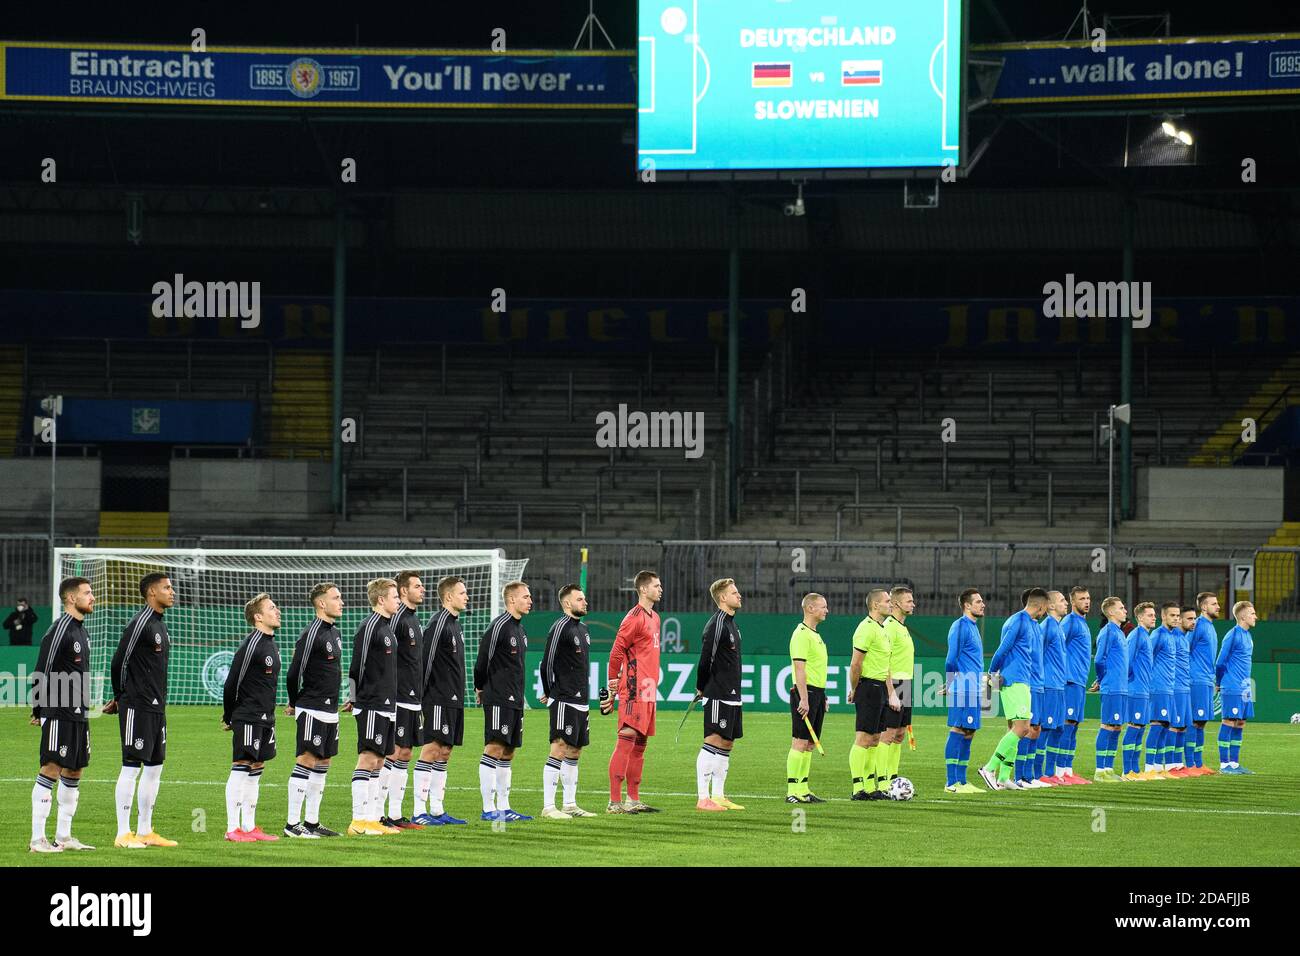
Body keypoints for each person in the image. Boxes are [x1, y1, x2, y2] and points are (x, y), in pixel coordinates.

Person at [106, 572, 178, 849]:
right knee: (131, 767)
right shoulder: (140, 623)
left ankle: (145, 830)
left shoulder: (160, 625)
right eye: (166, 588)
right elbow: (118, 661)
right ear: (151, 593)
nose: (172, 592)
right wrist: (119, 697)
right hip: (136, 704)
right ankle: (123, 833)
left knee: (154, 768)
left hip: (157, 707)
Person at [29, 577, 96, 853]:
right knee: (52, 767)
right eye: (87, 593)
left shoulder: (82, 630)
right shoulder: (60, 629)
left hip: (79, 713)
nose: (92, 597)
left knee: (75, 769)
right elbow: (41, 667)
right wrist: (37, 708)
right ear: (70, 598)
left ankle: (64, 837)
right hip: (58, 709)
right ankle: (37, 840)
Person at [283, 582, 345, 838]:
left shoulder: (334, 632)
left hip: (331, 708)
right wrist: (295, 701)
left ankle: (311, 822)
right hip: (312, 707)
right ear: (321, 603)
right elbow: (294, 671)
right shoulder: (311, 634)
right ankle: (291, 824)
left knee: (324, 761)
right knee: (307, 759)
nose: (342, 602)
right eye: (336, 598)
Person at [222, 593, 283, 842]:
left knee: (257, 767)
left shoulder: (271, 643)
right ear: (258, 617)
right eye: (271, 608)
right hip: (248, 716)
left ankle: (249, 827)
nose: (277, 611)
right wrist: (230, 716)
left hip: (266, 718)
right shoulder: (251, 644)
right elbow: (232, 682)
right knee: (242, 766)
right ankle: (232, 828)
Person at [411, 575, 470, 826]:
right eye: (462, 593)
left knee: (445, 752)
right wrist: (422, 699)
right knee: (431, 750)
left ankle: (436, 809)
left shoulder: (455, 624)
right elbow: (425, 661)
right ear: (448, 597)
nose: (466, 596)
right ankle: (418, 811)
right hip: (437, 698)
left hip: (454, 699)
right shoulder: (438, 624)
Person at [345, 578, 401, 836]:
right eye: (394, 596)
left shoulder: (388, 628)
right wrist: (355, 698)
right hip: (371, 703)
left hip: (387, 704)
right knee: (368, 758)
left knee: (379, 761)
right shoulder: (369, 627)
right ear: (381, 600)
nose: (398, 600)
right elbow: (357, 665)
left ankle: (372, 819)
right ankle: (358, 821)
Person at [473, 580, 533, 823]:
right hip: (498, 696)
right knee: (495, 748)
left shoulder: (521, 630)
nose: (530, 601)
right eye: (525, 597)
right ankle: (489, 809)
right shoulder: (499, 626)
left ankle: (504, 807)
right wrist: (480, 687)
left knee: (508, 752)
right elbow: (482, 659)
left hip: (516, 698)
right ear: (511, 600)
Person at [977, 588, 1047, 791]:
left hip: (1023, 680)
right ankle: (989, 768)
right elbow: (1002, 649)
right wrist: (991, 673)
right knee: (1022, 728)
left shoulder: (1032, 623)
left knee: (1016, 729)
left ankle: (1004, 777)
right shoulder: (1018, 621)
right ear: (1040, 606)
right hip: (1014, 680)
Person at [606, 570, 663, 814]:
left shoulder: (656, 617)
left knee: (640, 745)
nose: (660, 589)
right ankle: (614, 801)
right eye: (656, 586)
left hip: (649, 689)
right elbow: (617, 651)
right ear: (643, 589)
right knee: (626, 740)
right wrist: (611, 680)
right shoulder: (634, 617)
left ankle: (633, 798)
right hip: (633, 688)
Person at [539, 584, 597, 819]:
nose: (585, 602)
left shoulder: (583, 629)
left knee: (575, 750)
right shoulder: (560, 627)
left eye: (584, 598)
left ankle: (570, 804)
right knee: (560, 748)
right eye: (580, 599)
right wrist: (550, 691)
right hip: (564, 698)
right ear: (566, 604)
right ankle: (548, 807)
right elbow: (547, 663)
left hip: (581, 699)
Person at [380, 571, 426, 830]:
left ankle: (396, 815)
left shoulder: (414, 620)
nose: (422, 590)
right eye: (417, 586)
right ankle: (379, 813)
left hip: (413, 697)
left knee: (406, 752)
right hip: (397, 697)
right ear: (403, 591)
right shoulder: (396, 620)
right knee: (393, 752)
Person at [695, 578, 745, 811]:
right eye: (734, 593)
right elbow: (706, 658)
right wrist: (701, 686)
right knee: (713, 740)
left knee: (727, 742)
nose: (739, 595)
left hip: (732, 693)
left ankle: (719, 795)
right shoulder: (716, 624)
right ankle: (702, 798)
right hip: (718, 692)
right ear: (723, 598)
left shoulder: (732, 624)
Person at [848, 588, 893, 801]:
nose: (891, 603)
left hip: (881, 688)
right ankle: (858, 788)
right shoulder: (865, 629)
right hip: (868, 688)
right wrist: (855, 688)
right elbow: (856, 663)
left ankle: (870, 786)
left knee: (875, 739)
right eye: (887, 601)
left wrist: (890, 691)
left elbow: (885, 665)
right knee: (863, 738)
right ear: (875, 605)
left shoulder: (882, 629)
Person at [942, 588, 984, 794]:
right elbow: (951, 659)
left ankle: (962, 780)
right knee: (958, 729)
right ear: (967, 605)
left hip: (975, 688)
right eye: (978, 602)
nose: (982, 604)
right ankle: (951, 783)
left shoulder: (973, 627)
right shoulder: (960, 626)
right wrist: (950, 684)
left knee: (970, 732)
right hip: (963, 688)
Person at [787, 592, 829, 804]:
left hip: (816, 693)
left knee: (810, 744)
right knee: (800, 741)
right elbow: (800, 669)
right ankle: (793, 790)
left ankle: (803, 788)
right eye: (823, 606)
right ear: (810, 608)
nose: (826, 610)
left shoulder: (815, 635)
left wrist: (823, 696)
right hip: (806, 693)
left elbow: (816, 669)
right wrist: (804, 699)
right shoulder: (801, 634)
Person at [878, 585, 916, 796]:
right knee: (888, 734)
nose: (913, 604)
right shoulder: (889, 627)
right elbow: (884, 661)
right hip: (895, 684)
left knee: (899, 734)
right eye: (909, 601)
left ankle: (892, 780)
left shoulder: (902, 627)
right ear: (896, 604)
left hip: (906, 683)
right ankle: (882, 781)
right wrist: (891, 690)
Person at [1054, 586, 1094, 785]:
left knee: (1074, 725)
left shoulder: (1083, 623)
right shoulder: (1069, 622)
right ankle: (1059, 771)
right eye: (1082, 599)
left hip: (1079, 681)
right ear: (1073, 601)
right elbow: (1056, 648)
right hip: (1068, 681)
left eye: (1088, 598)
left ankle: (1068, 770)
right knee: (1067, 725)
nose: (1086, 602)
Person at [1089, 596, 1129, 783]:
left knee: (1117, 727)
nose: (1125, 611)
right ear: (1111, 612)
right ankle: (1099, 771)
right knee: (1107, 726)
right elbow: (1099, 659)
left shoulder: (1120, 632)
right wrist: (1101, 679)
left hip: (1121, 687)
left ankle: (1108, 769)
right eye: (1121, 608)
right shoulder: (1108, 632)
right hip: (1112, 686)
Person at [1215, 601, 1256, 775]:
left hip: (1247, 686)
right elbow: (1220, 662)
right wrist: (1218, 682)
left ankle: (1234, 763)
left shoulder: (1248, 636)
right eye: (1252, 613)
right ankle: (1224, 764)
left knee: (1241, 723)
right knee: (1229, 721)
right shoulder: (1233, 635)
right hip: (1232, 685)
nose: (1256, 617)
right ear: (1243, 616)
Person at [1037, 591, 1069, 785]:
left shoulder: (1058, 627)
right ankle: (1039, 772)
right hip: (1048, 685)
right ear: (1050, 606)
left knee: (1058, 729)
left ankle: (1050, 772)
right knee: (1046, 729)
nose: (1066, 603)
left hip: (1059, 685)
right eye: (1062, 600)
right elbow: (1037, 653)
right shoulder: (1047, 626)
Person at [1145, 602, 1180, 779]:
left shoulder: (1172, 636)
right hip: (1158, 688)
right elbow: (1146, 657)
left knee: (1165, 727)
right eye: (1172, 615)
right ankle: (1149, 766)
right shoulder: (1158, 635)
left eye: (1177, 616)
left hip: (1169, 688)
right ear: (1163, 616)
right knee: (1157, 726)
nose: (1175, 618)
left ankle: (1159, 767)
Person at [1188, 592, 1222, 775]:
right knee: (1194, 721)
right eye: (1214, 604)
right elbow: (1186, 649)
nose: (1218, 606)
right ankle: (1190, 764)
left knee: (1201, 723)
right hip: (1196, 679)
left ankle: (1199, 764)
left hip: (1207, 680)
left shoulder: (1210, 626)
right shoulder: (1198, 625)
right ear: (1203, 607)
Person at [1122, 602, 1155, 780]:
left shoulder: (1146, 636)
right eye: (1150, 615)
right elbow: (1126, 661)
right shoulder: (1136, 635)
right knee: (1134, 728)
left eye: (1154, 614)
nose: (1154, 617)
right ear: (1140, 617)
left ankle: (1135, 769)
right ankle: (1127, 771)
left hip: (1143, 689)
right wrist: (1129, 682)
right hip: (1135, 689)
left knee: (1140, 728)